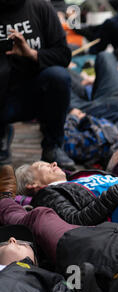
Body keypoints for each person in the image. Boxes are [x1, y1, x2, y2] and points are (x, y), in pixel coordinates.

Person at [0, 0, 75, 169]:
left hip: (35, 95)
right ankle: (1, 135)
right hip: (4, 97)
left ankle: (52, 146)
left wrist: (32, 54)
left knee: (58, 76)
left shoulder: (40, 7)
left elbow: (63, 55)